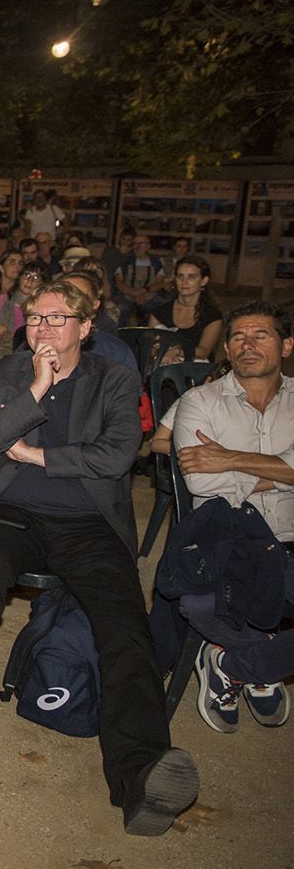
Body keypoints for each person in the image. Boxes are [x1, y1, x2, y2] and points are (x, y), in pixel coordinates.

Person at [0, 280, 198, 837]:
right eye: (36, 319)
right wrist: (37, 388)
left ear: (85, 326)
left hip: (89, 523)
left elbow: (118, 455)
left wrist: (35, 454)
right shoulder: (2, 372)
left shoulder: (116, 379)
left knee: (124, 617)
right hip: (12, 511)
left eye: (57, 318)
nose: (44, 328)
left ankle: (140, 770)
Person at [168, 302, 294, 732]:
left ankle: (235, 662)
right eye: (239, 336)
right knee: (196, 603)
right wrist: (282, 473)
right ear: (226, 348)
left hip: (290, 539)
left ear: (287, 344)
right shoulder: (199, 401)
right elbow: (204, 486)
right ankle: (265, 663)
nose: (248, 344)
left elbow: (221, 473)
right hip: (230, 539)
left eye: (261, 334)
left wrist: (231, 460)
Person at [150, 255, 223, 365]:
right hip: (163, 363)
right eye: (180, 276)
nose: (184, 282)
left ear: (203, 281)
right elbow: (150, 345)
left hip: (195, 367)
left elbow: (203, 351)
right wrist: (160, 353)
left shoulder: (212, 316)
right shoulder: (159, 312)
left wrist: (176, 352)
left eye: (191, 277)